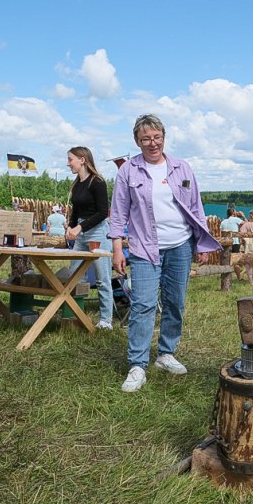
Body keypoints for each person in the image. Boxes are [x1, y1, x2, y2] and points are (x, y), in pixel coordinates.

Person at [109, 114, 220, 392]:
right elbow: (119, 211)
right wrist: (117, 248)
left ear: (164, 137)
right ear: (137, 141)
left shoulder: (182, 168)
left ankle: (166, 354)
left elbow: (196, 207)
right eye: (145, 138)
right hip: (145, 247)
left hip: (180, 246)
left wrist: (202, 244)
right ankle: (137, 365)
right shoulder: (129, 171)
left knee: (174, 303)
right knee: (143, 304)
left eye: (156, 137)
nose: (152, 143)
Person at [65, 146, 114, 330]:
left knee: (102, 277)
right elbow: (76, 210)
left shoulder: (98, 182)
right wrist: (71, 226)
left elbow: (103, 212)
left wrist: (80, 227)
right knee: (75, 276)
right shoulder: (77, 184)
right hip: (80, 234)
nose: (68, 163)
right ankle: (75, 315)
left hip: (98, 233)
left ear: (82, 160)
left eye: (70, 159)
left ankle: (105, 320)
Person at [220, 207, 244, 281]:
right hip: (235, 242)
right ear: (233, 213)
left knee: (226, 260)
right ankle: (239, 277)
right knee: (235, 261)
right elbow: (246, 224)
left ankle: (225, 277)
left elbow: (220, 231)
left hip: (225, 243)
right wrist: (242, 216)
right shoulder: (236, 219)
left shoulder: (223, 221)